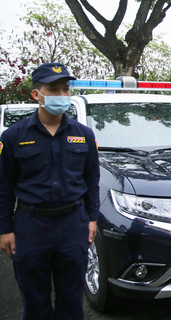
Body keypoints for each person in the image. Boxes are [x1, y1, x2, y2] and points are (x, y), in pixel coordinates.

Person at [0, 62, 100, 320]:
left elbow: (91, 180)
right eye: (53, 89)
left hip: (72, 223)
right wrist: (4, 229)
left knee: (72, 296)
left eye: (65, 89)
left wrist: (91, 218)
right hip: (31, 225)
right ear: (37, 94)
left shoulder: (84, 135)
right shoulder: (14, 137)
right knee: (35, 298)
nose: (61, 95)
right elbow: (4, 186)